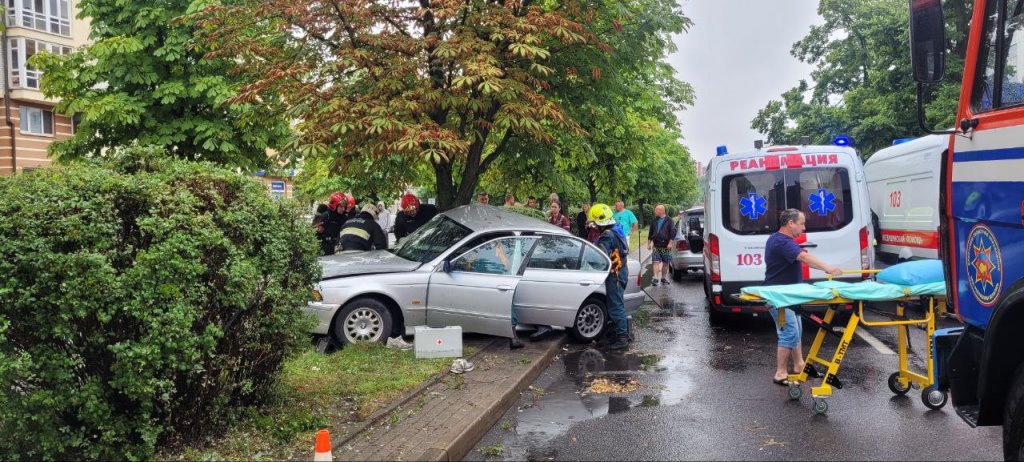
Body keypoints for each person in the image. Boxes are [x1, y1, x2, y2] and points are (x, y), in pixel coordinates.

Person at [764, 208, 843, 386]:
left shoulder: (778, 239)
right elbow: (805, 258)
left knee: (796, 330)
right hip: (780, 297)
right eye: (802, 223)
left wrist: (825, 268)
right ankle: (780, 373)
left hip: (789, 296)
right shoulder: (782, 242)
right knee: (789, 333)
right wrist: (828, 268)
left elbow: (804, 259)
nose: (804, 227)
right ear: (790, 223)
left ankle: (799, 365)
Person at [589, 203, 630, 351]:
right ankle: (617, 334)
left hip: (615, 275)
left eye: (594, 223)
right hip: (621, 272)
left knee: (615, 306)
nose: (594, 226)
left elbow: (599, 256)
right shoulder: (617, 229)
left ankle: (622, 338)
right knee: (616, 304)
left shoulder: (607, 236)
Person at [646, 204, 677, 286]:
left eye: (656, 210)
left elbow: (673, 232)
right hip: (656, 245)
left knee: (665, 262)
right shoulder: (654, 220)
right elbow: (651, 232)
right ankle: (655, 278)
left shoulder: (669, 220)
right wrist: (649, 243)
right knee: (655, 261)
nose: (655, 211)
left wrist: (670, 243)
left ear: (662, 211)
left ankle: (663, 278)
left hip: (666, 245)